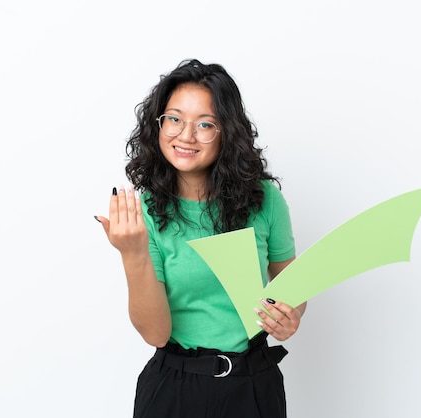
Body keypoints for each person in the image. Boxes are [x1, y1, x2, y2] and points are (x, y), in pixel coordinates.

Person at [95, 58, 307, 418]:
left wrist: (290, 314)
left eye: (205, 124)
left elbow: (293, 288)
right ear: (157, 124)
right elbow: (156, 335)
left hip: (254, 386)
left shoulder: (264, 200)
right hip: (175, 389)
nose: (185, 136)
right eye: (174, 119)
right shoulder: (143, 211)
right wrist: (133, 253)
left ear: (227, 131)